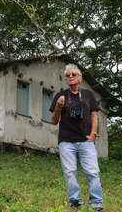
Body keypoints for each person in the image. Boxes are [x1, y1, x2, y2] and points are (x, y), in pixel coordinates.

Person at [49, 64, 103, 211]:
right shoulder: (60, 96)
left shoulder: (88, 95)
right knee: (70, 172)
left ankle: (96, 204)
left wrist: (93, 133)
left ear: (80, 78)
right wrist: (59, 107)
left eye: (74, 74)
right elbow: (54, 121)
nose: (71, 77)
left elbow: (94, 115)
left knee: (93, 172)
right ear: (66, 79)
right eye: (68, 75)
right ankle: (75, 203)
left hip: (86, 140)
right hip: (66, 141)